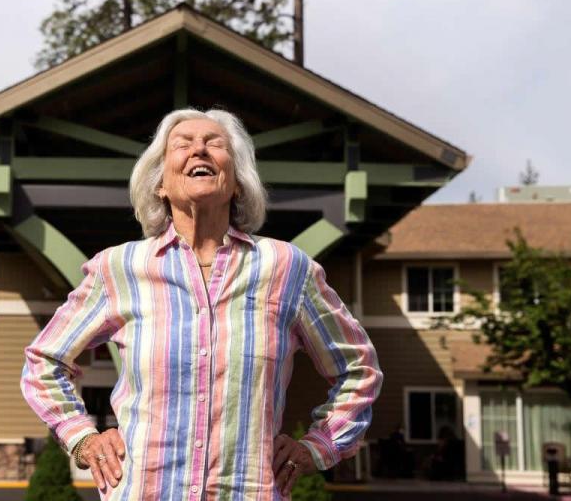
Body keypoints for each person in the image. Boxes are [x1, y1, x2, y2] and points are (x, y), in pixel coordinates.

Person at [20, 109, 383, 500]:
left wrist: (319, 446)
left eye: (214, 144)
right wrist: (82, 438)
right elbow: (45, 361)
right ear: (160, 184)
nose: (199, 151)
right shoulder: (119, 268)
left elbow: (358, 368)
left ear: (238, 183)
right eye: (183, 144)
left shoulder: (286, 268)